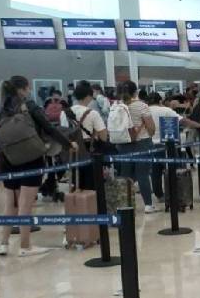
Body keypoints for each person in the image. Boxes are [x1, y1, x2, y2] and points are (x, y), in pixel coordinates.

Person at [0, 75, 72, 256]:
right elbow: (49, 128)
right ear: (23, 89)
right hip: (30, 158)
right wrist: (67, 143)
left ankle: (3, 244)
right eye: (27, 88)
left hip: (8, 159)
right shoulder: (29, 106)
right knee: (25, 204)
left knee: (10, 203)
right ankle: (25, 246)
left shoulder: (0, 109)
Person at [110, 80, 158, 213]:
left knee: (125, 175)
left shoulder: (115, 106)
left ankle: (125, 205)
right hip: (142, 143)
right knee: (142, 174)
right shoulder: (141, 106)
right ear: (135, 92)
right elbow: (151, 127)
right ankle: (148, 205)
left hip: (123, 144)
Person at [61, 80, 108, 191]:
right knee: (90, 185)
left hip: (71, 151)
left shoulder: (64, 113)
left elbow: (64, 132)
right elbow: (104, 137)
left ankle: (78, 206)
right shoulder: (92, 113)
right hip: (88, 150)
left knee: (76, 183)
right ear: (88, 96)